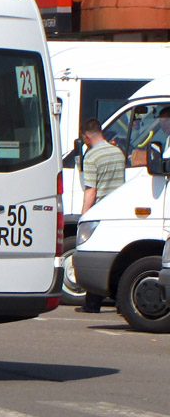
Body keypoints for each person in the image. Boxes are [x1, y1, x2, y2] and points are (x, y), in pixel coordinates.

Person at [77, 117, 126, 313]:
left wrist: (84, 216)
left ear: (87, 137)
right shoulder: (118, 152)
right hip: (118, 209)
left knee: (95, 255)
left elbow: (91, 190)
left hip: (101, 212)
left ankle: (92, 303)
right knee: (117, 257)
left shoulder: (91, 157)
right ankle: (120, 303)